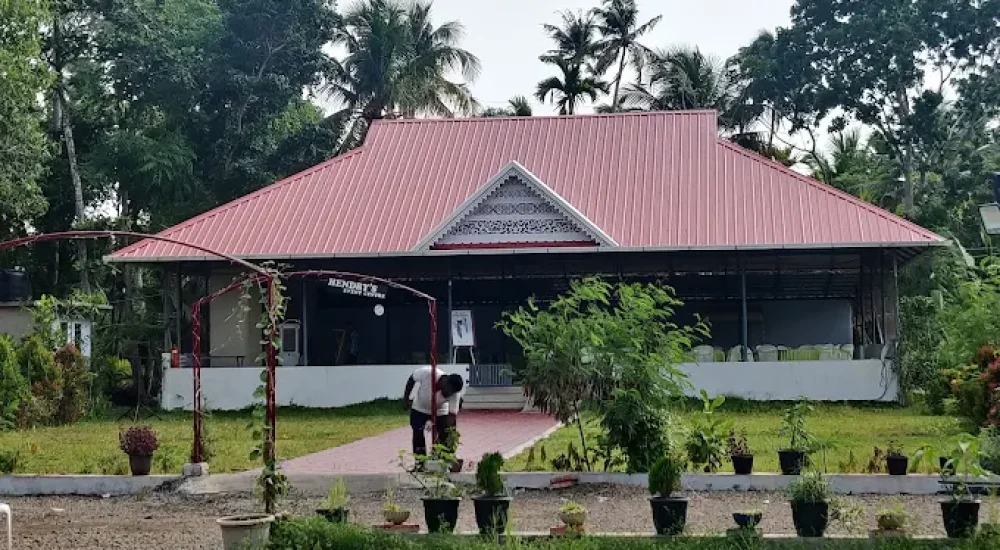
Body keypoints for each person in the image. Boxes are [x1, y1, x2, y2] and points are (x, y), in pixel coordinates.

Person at [402, 366, 464, 457]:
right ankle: (420, 463)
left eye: (452, 393)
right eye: (449, 391)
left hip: (440, 411)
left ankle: (443, 459)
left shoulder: (455, 393)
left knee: (447, 433)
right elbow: (412, 378)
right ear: (445, 381)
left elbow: (451, 415)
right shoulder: (428, 373)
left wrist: (448, 432)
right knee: (417, 433)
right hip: (420, 408)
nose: (449, 395)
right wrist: (406, 399)